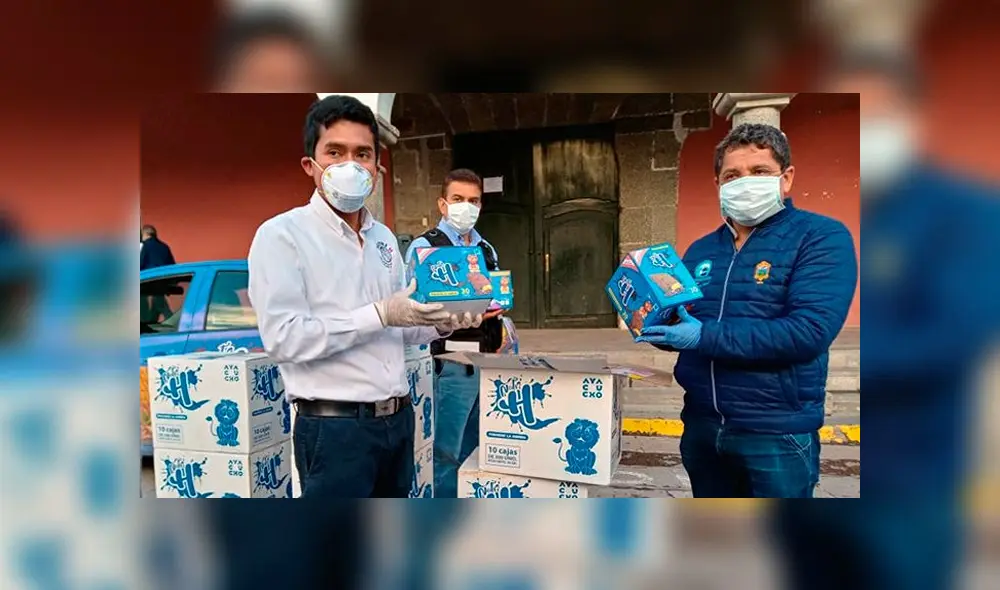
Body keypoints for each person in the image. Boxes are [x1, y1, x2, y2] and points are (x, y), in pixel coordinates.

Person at [769, 52, 1000, 590]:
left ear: (915, 117)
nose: (866, 131)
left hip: (907, 484)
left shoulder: (964, 213)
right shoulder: (818, 225)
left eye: (880, 113)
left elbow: (952, 338)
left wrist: (808, 358)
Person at [247, 95, 482, 498]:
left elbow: (400, 328)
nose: (350, 166)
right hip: (333, 429)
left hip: (397, 420)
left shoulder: (383, 239)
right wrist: (379, 313)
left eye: (362, 154)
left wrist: (439, 323)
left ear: (377, 167)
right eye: (335, 153)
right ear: (311, 165)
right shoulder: (281, 236)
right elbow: (285, 338)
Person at [636, 122, 858, 498]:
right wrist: (658, 325)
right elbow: (688, 324)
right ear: (718, 185)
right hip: (703, 426)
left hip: (775, 430)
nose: (744, 182)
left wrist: (701, 335)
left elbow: (808, 333)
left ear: (786, 179)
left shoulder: (820, 238)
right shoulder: (702, 249)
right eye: (732, 175)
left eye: (759, 172)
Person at [404, 168, 504, 498]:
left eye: (473, 201)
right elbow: (410, 307)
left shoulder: (487, 249)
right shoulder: (426, 247)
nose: (466, 207)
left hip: (487, 361)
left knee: (476, 450)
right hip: (449, 366)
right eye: (458, 199)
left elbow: (495, 296)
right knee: (446, 452)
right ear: (442, 205)